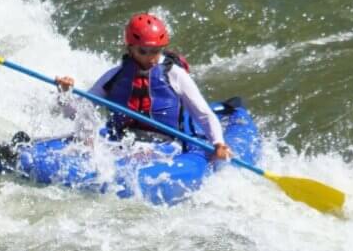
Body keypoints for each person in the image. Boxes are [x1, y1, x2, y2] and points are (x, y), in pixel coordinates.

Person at [54, 13, 232, 161]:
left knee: (139, 155)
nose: (151, 57)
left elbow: (203, 113)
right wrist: (65, 93)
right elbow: (78, 113)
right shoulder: (114, 76)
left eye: (156, 51)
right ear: (130, 49)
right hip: (122, 141)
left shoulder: (175, 74)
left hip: (164, 144)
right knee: (88, 149)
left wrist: (218, 143)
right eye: (143, 51)